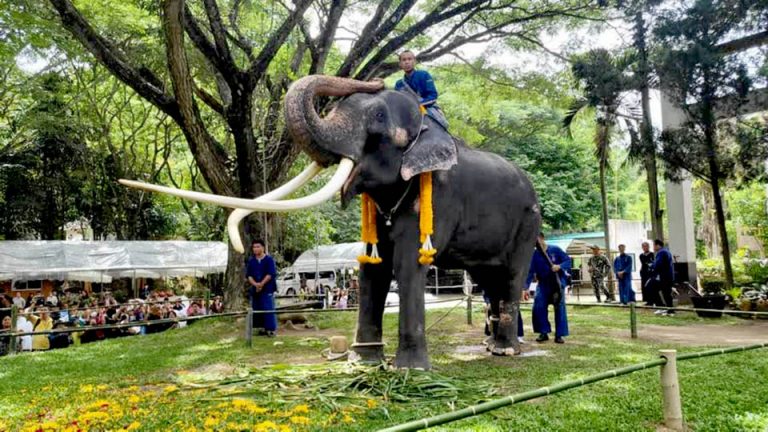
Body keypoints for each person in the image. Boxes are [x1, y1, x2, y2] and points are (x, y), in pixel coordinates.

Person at [527, 233, 570, 344]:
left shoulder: (555, 249)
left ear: (542, 238)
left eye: (536, 240)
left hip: (557, 283)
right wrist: (525, 288)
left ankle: (559, 335)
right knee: (538, 307)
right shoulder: (534, 255)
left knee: (559, 308)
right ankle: (543, 332)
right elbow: (530, 272)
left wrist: (559, 266)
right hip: (543, 284)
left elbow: (568, 261)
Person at [394, 50, 449, 130]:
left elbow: (433, 96)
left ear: (414, 61)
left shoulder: (424, 75)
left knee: (442, 126)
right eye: (404, 60)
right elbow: (397, 103)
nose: (407, 62)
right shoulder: (399, 84)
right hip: (407, 114)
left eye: (409, 59)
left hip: (427, 108)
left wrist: (417, 105)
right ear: (400, 64)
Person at [246, 239, 278, 337]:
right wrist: (255, 284)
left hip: (267, 288)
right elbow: (249, 275)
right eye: (254, 247)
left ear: (263, 248)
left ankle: (270, 329)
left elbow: (270, 274)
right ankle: (260, 328)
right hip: (255, 289)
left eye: (258, 246)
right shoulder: (251, 261)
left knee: (268, 308)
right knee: (257, 308)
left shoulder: (269, 260)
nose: (255, 249)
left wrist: (261, 284)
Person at [650, 239, 676, 315]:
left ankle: (662, 307)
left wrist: (652, 266)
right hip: (668, 276)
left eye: (654, 245)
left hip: (663, 276)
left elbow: (658, 264)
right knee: (666, 293)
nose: (653, 247)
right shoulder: (666, 251)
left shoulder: (661, 252)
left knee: (652, 288)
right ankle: (669, 310)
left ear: (658, 245)